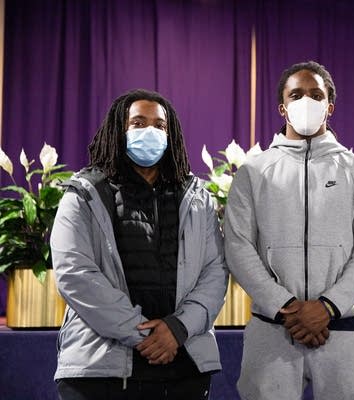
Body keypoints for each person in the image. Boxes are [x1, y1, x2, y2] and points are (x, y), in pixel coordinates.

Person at [51, 89, 228, 400]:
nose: (150, 132)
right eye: (138, 123)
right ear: (119, 130)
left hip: (182, 366)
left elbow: (215, 271)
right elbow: (74, 273)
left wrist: (178, 329)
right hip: (101, 371)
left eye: (160, 126)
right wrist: (144, 334)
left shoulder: (197, 198)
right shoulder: (84, 193)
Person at [223, 61, 354, 400]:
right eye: (296, 95)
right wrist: (285, 305)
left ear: (330, 106)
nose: (306, 101)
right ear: (282, 107)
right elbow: (238, 245)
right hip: (272, 329)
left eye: (316, 95)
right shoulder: (254, 172)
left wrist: (326, 307)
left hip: (340, 330)